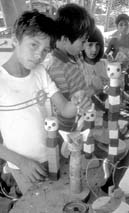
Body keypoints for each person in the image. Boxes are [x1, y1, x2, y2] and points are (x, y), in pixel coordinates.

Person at [0, 10, 91, 194]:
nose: (38, 55)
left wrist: (77, 100)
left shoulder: (41, 73)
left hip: (53, 155)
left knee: (55, 198)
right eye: (33, 45)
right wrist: (20, 162)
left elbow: (65, 109)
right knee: (36, 203)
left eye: (45, 51)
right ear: (15, 40)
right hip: (25, 166)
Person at [46, 3, 94, 131]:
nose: (84, 46)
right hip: (69, 126)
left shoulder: (75, 55)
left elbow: (82, 83)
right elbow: (64, 108)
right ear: (65, 39)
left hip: (83, 116)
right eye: (82, 41)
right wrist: (90, 92)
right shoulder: (57, 68)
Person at [105, 13, 129, 96]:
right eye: (121, 25)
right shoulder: (113, 41)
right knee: (115, 93)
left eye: (126, 24)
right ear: (117, 27)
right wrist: (109, 58)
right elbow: (104, 56)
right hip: (116, 72)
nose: (124, 27)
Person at [82, 26, 108, 102]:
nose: (94, 49)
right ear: (82, 45)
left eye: (97, 45)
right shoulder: (77, 66)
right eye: (90, 45)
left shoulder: (105, 64)